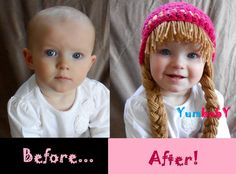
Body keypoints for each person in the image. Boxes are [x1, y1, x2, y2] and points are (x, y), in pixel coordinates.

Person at [124, 2, 230, 138]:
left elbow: (224, 155)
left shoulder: (213, 101)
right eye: (165, 51)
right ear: (147, 56)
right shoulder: (138, 107)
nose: (179, 64)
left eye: (192, 55)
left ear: (206, 64)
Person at [7, 6, 109, 137]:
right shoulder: (24, 106)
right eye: (51, 53)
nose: (64, 64)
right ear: (30, 59)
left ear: (90, 63)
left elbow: (104, 132)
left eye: (77, 55)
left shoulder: (97, 95)